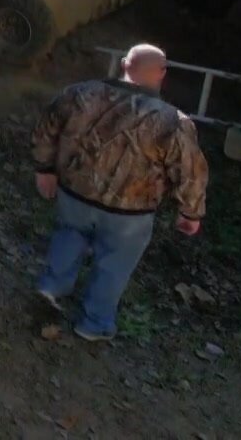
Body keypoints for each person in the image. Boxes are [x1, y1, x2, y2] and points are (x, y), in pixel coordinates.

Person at [32, 43, 208, 342]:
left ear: (125, 64)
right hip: (131, 211)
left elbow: (46, 129)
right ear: (162, 74)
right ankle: (94, 323)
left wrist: (44, 168)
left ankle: (52, 286)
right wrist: (191, 212)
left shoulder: (80, 94)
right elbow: (190, 171)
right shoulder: (172, 121)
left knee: (69, 234)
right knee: (114, 264)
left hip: (75, 192)